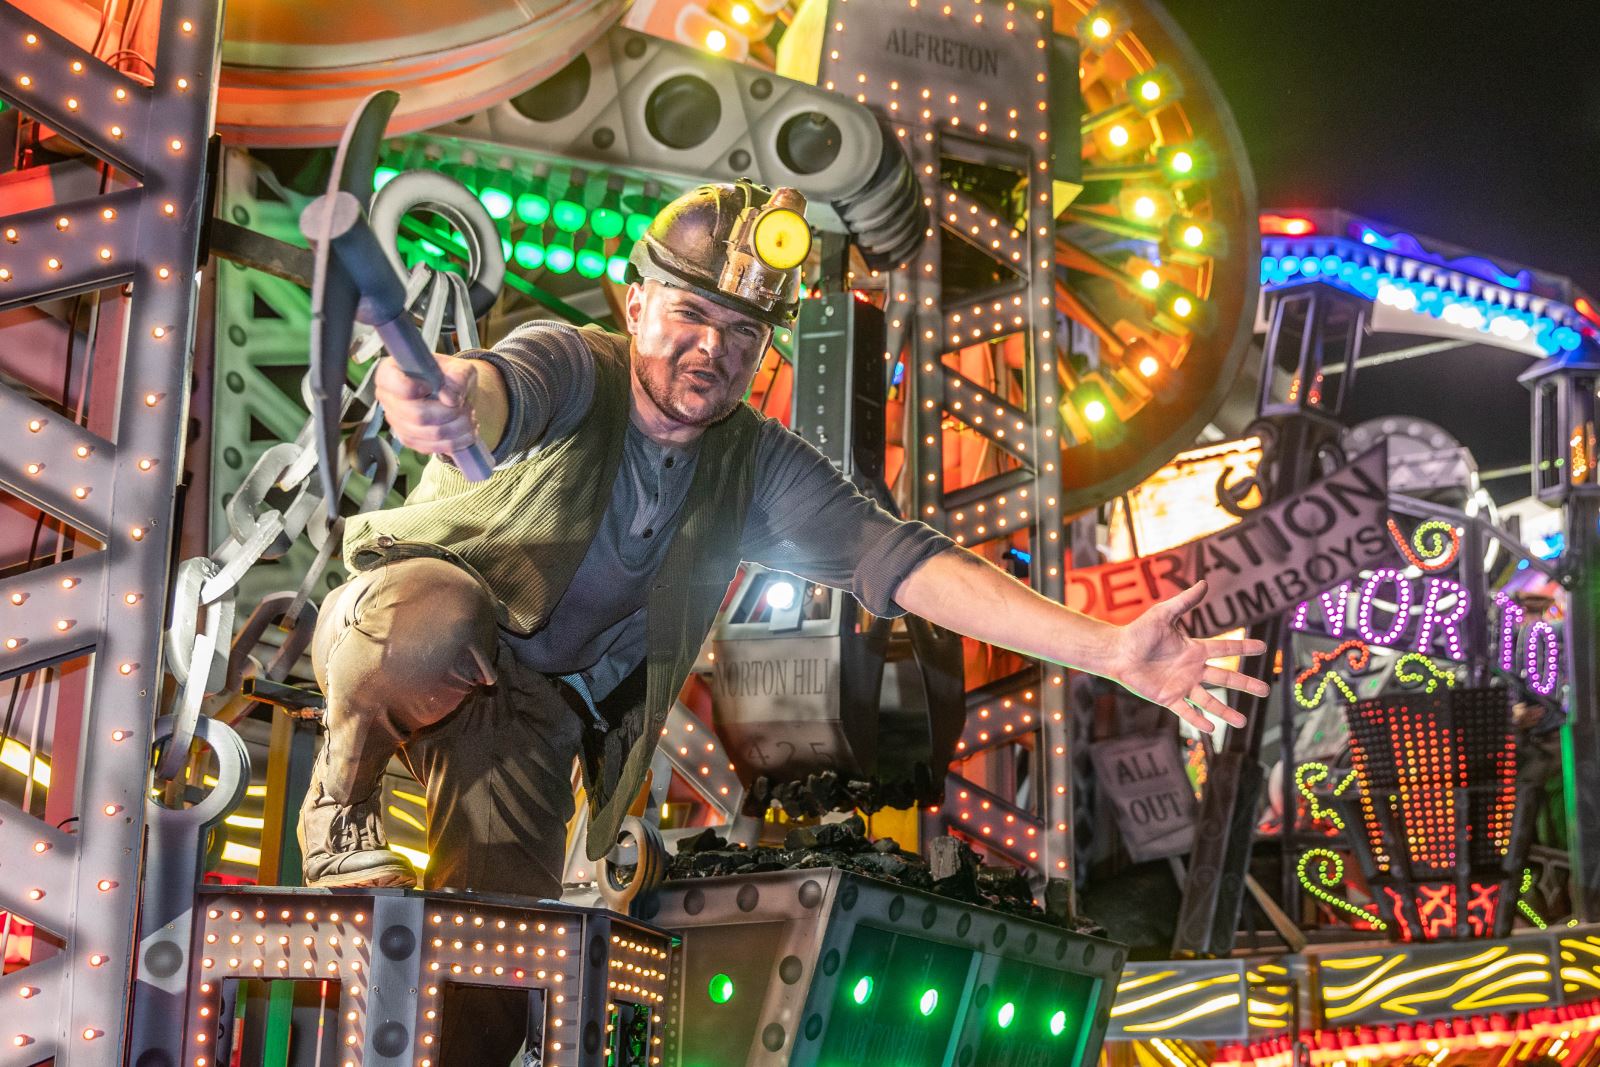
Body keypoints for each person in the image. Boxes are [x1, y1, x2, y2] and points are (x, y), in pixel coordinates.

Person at [296, 179, 1266, 1054]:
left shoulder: (751, 463)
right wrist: (441, 396)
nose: (713, 346)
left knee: (496, 978)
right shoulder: (576, 363)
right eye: (688, 312)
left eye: (743, 332)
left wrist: (1106, 647)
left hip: (533, 715)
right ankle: (339, 807)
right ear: (636, 304)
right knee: (432, 621)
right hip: (412, 625)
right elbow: (493, 386)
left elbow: (902, 561)